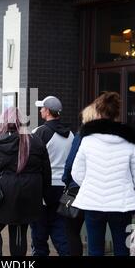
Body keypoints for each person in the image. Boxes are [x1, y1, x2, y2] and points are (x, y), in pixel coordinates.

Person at [71, 92, 135, 256]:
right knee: (122, 249)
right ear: (117, 114)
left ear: (98, 113)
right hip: (121, 205)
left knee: (95, 250)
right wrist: (130, 190)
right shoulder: (131, 142)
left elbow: (76, 173)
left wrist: (90, 185)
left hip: (92, 202)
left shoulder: (87, 140)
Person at [0, 107, 52, 256]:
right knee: (19, 230)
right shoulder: (36, 140)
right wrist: (44, 194)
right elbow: (46, 171)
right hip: (30, 193)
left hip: (3, 192)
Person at [31, 96, 73, 256]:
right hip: (62, 188)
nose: (40, 110)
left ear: (48, 111)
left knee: (39, 232)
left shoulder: (39, 132)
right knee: (60, 229)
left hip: (43, 187)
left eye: (42, 108)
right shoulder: (70, 135)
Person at [61, 103, 98, 256]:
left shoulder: (81, 136)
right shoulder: (107, 138)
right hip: (98, 190)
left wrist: (66, 180)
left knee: (71, 230)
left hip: (77, 189)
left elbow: (70, 162)